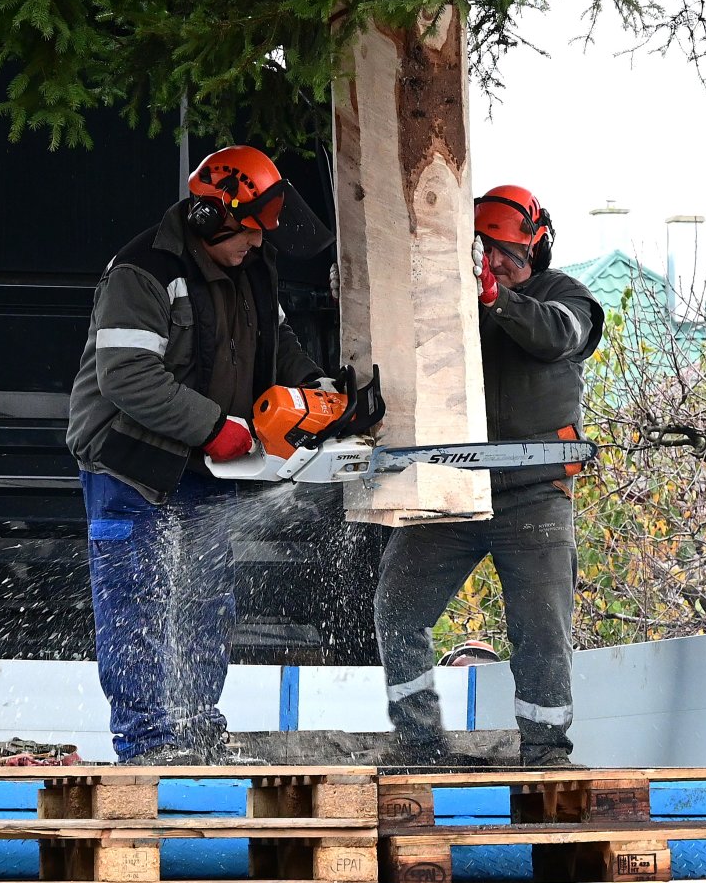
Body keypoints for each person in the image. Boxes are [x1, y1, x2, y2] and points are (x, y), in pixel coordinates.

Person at [66, 145, 332, 765]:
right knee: (138, 604)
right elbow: (127, 376)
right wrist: (215, 428)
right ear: (210, 216)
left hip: (206, 466)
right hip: (132, 463)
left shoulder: (252, 267)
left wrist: (313, 387)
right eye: (249, 230)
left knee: (206, 602)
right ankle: (148, 744)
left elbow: (277, 339)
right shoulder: (143, 272)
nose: (259, 242)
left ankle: (196, 732)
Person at [374, 185, 605, 768]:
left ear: (536, 246)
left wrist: (497, 298)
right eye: (484, 249)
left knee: (541, 629)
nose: (494, 261)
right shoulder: (452, 301)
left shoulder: (565, 298)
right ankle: (419, 743)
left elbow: (557, 336)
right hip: (450, 490)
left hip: (533, 495)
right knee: (397, 606)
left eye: (505, 251)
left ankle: (546, 752)